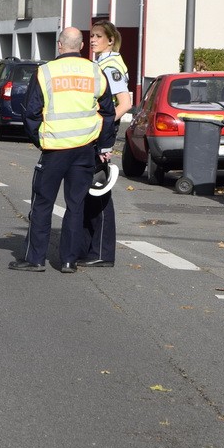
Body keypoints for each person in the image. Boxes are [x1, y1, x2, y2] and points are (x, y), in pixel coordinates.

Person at [9, 27, 116, 273]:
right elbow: (108, 112)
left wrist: (40, 139)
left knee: (42, 203)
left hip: (55, 148)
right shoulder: (95, 71)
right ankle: (69, 260)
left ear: (59, 45)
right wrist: (104, 144)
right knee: (75, 205)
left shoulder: (46, 71)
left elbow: (30, 112)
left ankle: (35, 258)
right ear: (81, 46)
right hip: (84, 149)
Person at [80, 21, 134, 268]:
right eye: (91, 36)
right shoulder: (100, 63)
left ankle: (102, 251)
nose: (92, 40)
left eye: (98, 36)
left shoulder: (110, 65)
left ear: (110, 40)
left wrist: (106, 128)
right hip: (94, 134)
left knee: (98, 191)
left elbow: (124, 102)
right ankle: (89, 248)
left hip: (100, 137)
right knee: (88, 191)